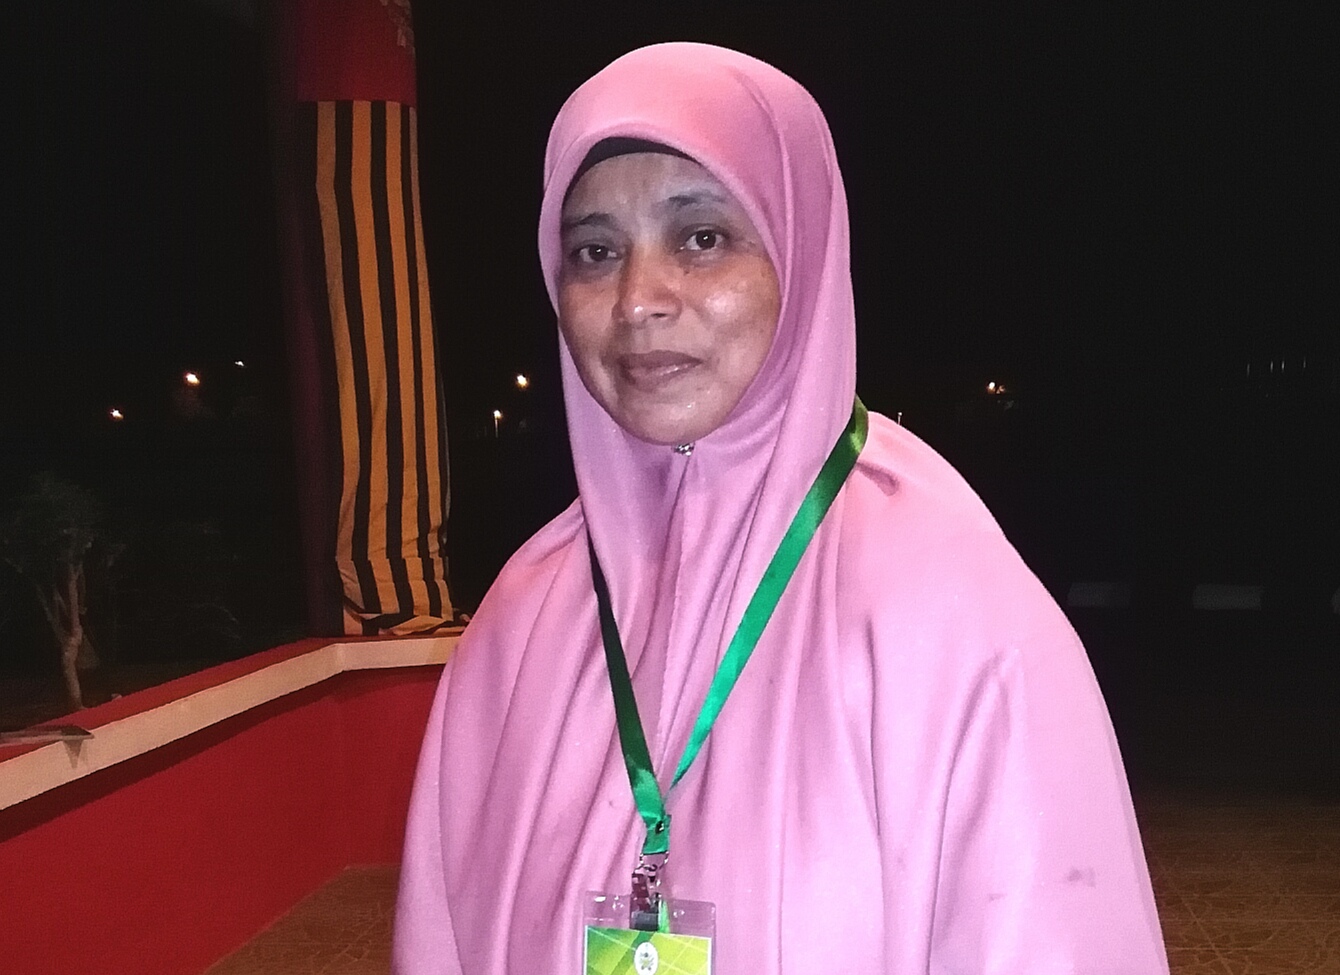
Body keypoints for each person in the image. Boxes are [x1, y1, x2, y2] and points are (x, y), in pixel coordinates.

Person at [394, 42, 1168, 974]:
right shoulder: (522, 622)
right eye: (596, 252)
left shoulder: (951, 611)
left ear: (800, 251)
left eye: (702, 238)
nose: (639, 300)